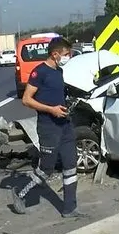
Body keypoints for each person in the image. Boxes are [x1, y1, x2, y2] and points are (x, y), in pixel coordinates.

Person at [10, 37, 87, 218]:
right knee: (47, 169)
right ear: (55, 54)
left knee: (70, 165)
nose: (68, 56)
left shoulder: (59, 71)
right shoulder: (39, 72)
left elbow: (56, 95)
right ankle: (20, 193)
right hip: (48, 127)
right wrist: (51, 110)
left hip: (65, 125)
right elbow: (26, 99)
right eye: (66, 54)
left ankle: (69, 208)